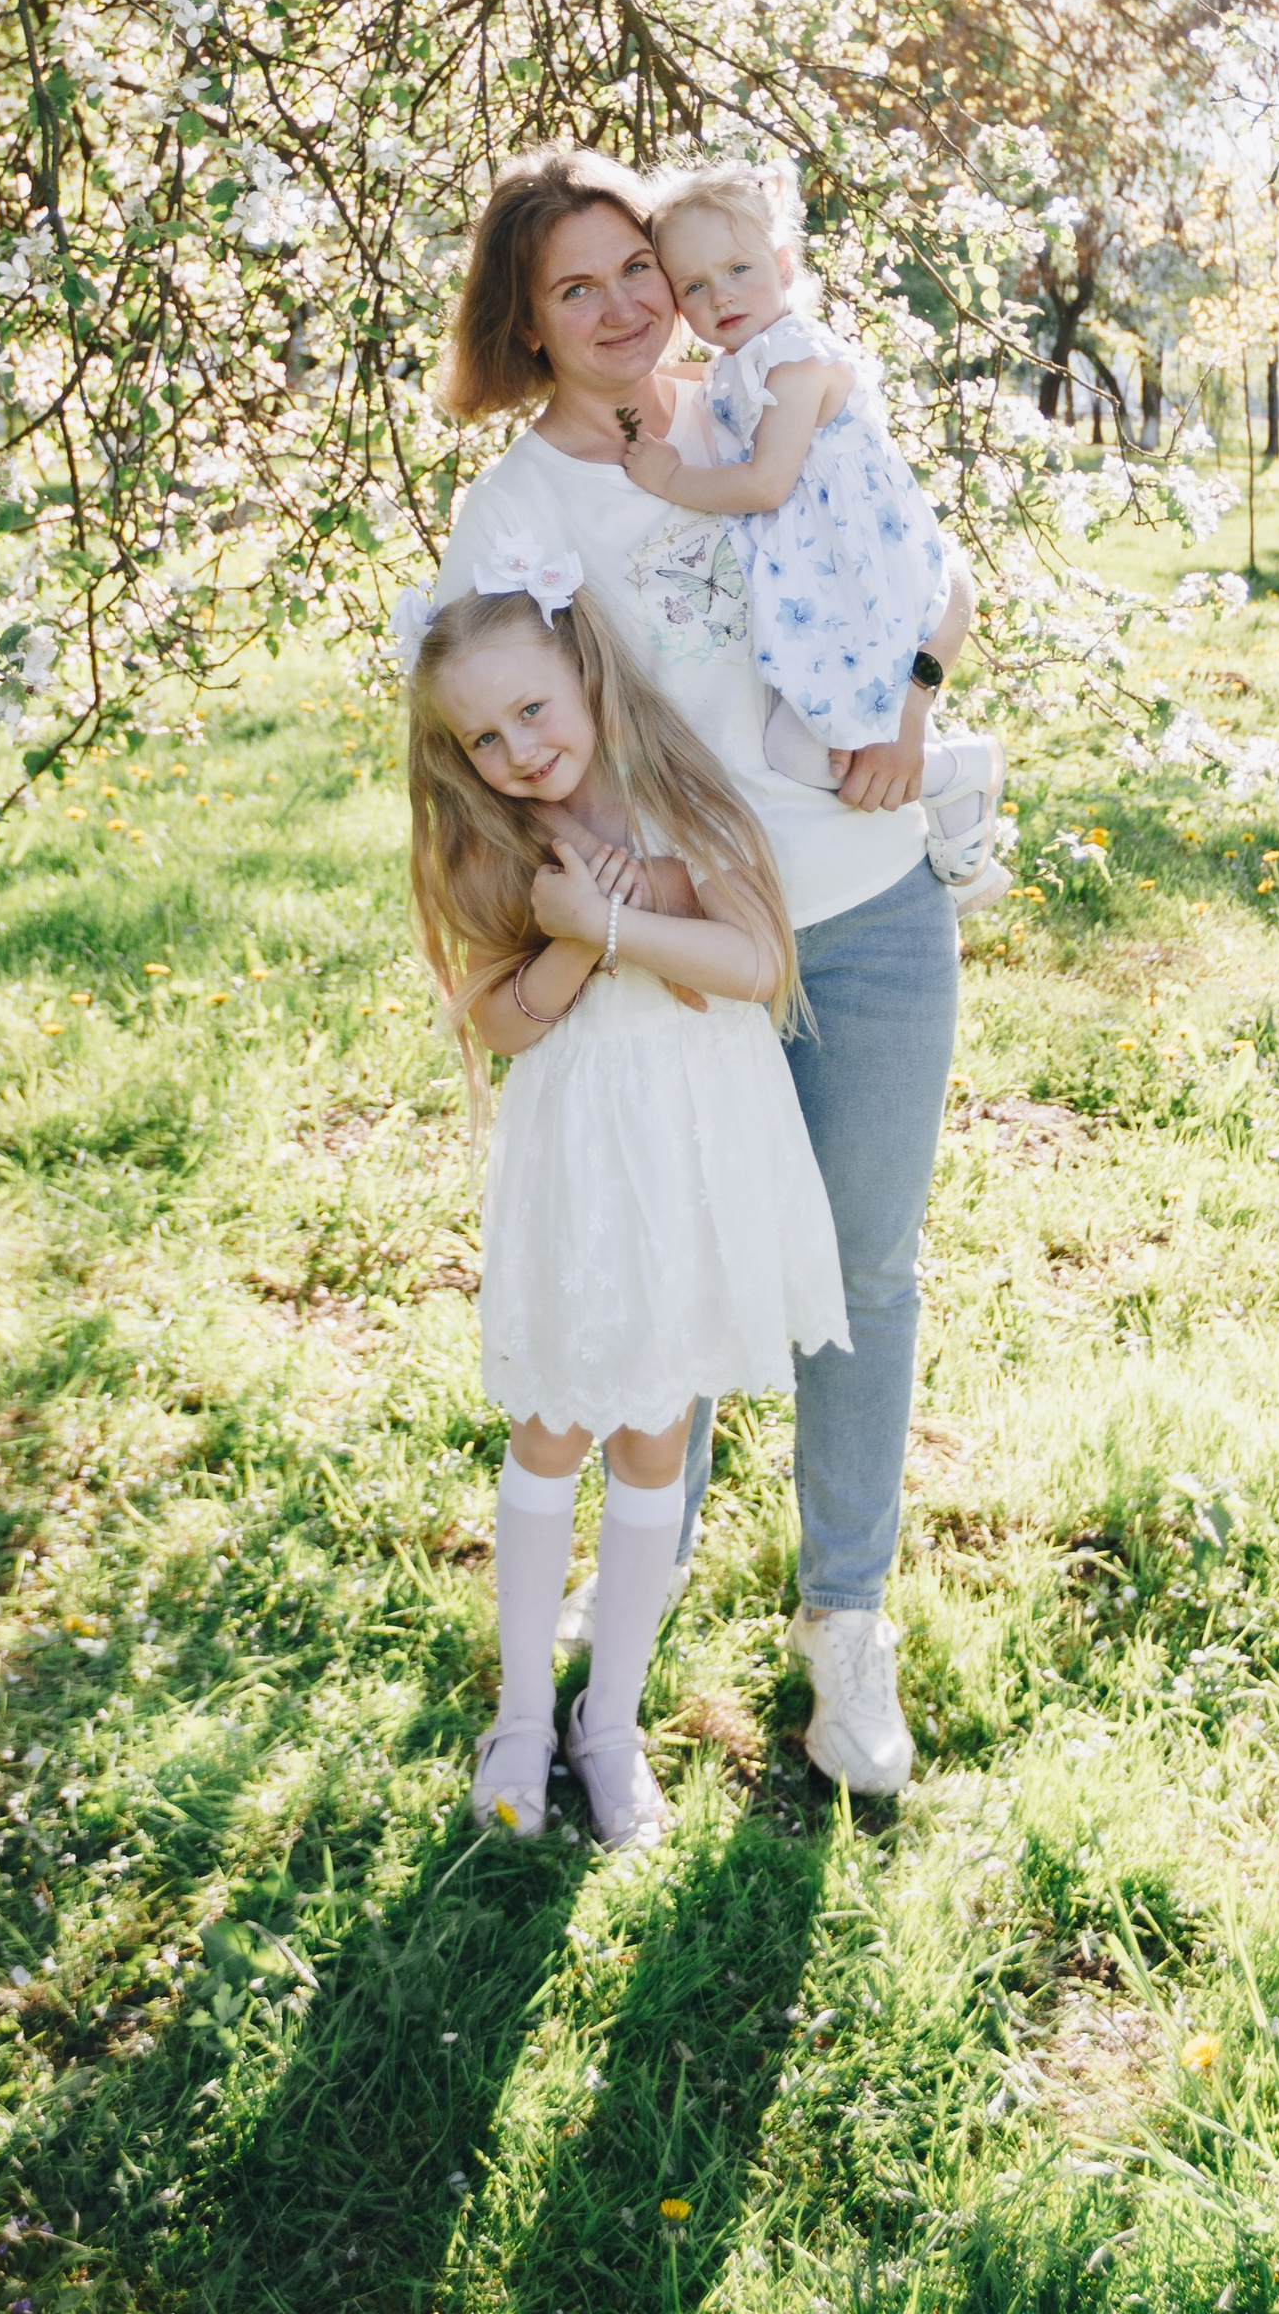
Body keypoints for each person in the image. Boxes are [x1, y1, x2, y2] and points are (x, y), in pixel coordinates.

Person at [427, 147, 970, 1792]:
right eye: (571, 288)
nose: (620, 308)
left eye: (631, 269)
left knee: (863, 1277)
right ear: (525, 324)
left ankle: (846, 1636)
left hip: (865, 899)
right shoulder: (517, 512)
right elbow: (494, 746)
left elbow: (927, 552)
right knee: (694, 1261)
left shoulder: (763, 389)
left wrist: (919, 698)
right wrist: (616, 893)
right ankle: (631, 1602)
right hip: (684, 940)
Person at [404, 555, 846, 1853]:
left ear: (583, 674)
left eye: (533, 711)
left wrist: (611, 923)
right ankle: (522, 1717)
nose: (516, 749)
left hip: (697, 1147)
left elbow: (757, 960)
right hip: (580, 1153)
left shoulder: (673, 793)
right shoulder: (490, 838)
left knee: (655, 1433)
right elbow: (504, 1026)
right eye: (482, 737)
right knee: (552, 1425)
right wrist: (559, 938)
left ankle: (611, 1724)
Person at [622, 158, 1007, 908]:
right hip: (827, 578)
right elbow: (714, 392)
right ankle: (952, 820)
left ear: (785, 265)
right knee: (814, 746)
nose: (719, 295)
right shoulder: (741, 362)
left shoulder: (795, 356)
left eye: (738, 268)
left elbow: (766, 481)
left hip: (862, 570)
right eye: (692, 286)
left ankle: (956, 774)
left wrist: (672, 480)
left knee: (805, 750)